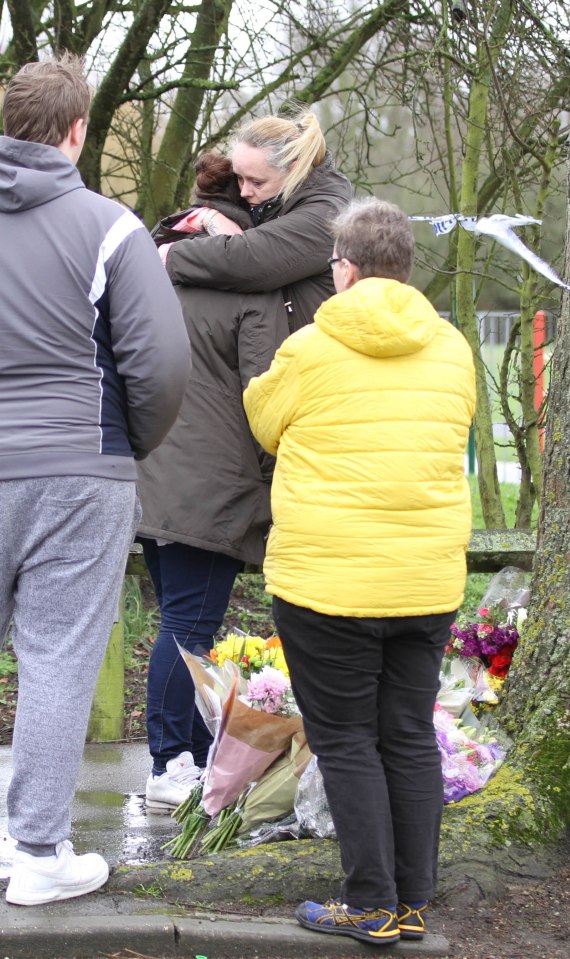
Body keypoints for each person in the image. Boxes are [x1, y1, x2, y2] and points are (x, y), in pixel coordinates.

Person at [243, 198, 476, 946]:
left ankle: (369, 902)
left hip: (328, 582)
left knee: (345, 738)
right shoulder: (454, 347)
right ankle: (411, 900)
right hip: (424, 579)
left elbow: (263, 421)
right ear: (406, 266)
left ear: (341, 267)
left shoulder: (309, 347)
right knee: (407, 733)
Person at [0, 55, 190, 907]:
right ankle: (36, 850)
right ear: (78, 131)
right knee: (58, 657)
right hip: (79, 468)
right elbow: (161, 364)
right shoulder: (111, 228)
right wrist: (124, 444)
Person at [136, 154, 291, 809]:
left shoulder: (146, 263)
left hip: (146, 472)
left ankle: (188, 755)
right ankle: (170, 761)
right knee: (189, 626)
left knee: (179, 617)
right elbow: (267, 393)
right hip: (212, 480)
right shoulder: (247, 282)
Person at [162, 110, 353, 333]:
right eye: (239, 178)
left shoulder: (328, 214)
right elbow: (167, 229)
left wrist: (169, 256)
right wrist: (207, 216)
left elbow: (250, 259)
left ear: (292, 168)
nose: (244, 191)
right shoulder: (262, 196)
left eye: (257, 182)